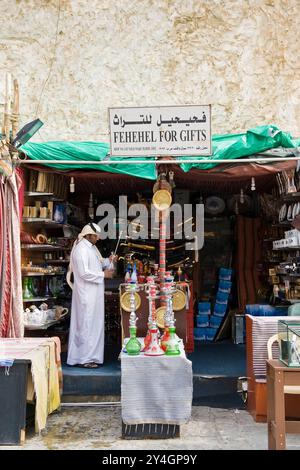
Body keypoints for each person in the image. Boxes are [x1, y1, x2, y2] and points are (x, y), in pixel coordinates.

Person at [66, 222, 116, 368]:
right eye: (96, 236)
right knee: (86, 325)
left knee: (94, 325)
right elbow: (83, 273)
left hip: (94, 294)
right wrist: (103, 274)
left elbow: (98, 264)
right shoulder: (81, 249)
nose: (98, 238)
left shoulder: (92, 248)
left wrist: (109, 261)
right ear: (88, 234)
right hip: (86, 295)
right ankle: (85, 359)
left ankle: (92, 357)